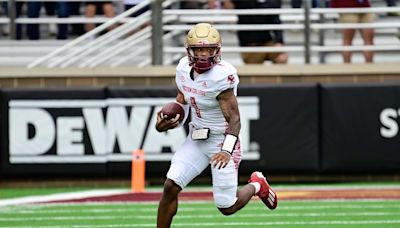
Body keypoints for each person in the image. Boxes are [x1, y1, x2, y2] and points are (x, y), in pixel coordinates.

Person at [155, 23, 278, 228]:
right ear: (189, 51)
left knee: (226, 206)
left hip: (221, 140)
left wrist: (226, 151)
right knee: (170, 186)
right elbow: (183, 100)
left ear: (217, 51)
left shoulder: (221, 76)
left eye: (208, 49)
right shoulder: (183, 69)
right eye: (198, 49)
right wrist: (168, 121)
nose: (203, 55)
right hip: (196, 139)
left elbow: (235, 119)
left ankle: (257, 185)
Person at [216, 0, 288, 64]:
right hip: (249, 46)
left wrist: (279, 42)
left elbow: (276, 21)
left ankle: (276, 78)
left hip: (266, 42)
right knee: (253, 64)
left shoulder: (271, 3)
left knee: (282, 57)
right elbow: (228, 6)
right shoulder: (243, 3)